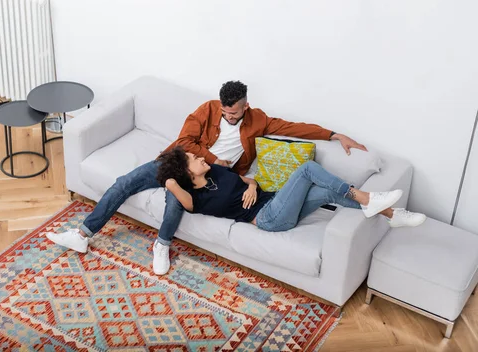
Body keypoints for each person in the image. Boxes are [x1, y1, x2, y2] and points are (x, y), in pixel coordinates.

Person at [47, 80, 370, 275]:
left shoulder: (257, 119)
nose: (230, 116)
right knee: (123, 184)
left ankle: (161, 245)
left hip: (211, 176)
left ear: (246, 106)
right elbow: (186, 143)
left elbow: (292, 128)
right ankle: (84, 233)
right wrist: (215, 159)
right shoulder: (206, 110)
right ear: (221, 104)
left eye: (235, 113)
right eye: (226, 112)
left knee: (177, 201)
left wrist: (332, 134)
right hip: (179, 161)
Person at [157, 147, 426, 231]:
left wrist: (252, 186)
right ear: (186, 173)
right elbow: (181, 196)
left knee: (329, 193)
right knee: (307, 170)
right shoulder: (196, 197)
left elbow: (248, 182)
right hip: (268, 219)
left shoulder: (216, 169)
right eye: (194, 159)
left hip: (276, 203)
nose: (201, 157)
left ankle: (391, 214)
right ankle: (368, 198)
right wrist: (170, 179)